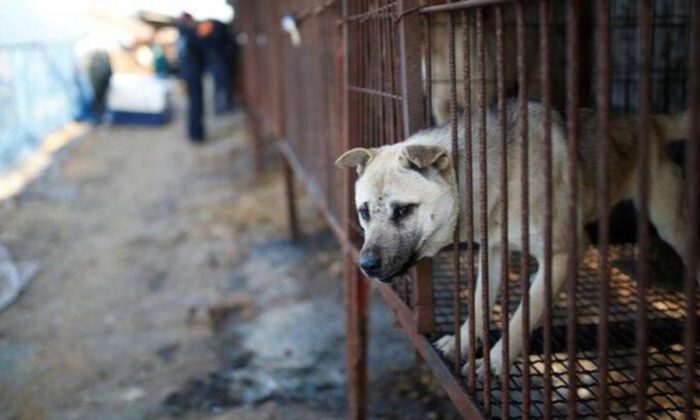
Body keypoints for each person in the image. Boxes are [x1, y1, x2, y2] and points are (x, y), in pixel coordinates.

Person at [177, 13, 206, 142]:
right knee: (196, 105)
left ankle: (193, 133)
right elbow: (202, 51)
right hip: (194, 74)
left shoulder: (181, 37)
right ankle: (197, 134)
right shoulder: (191, 34)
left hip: (186, 74)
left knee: (191, 105)